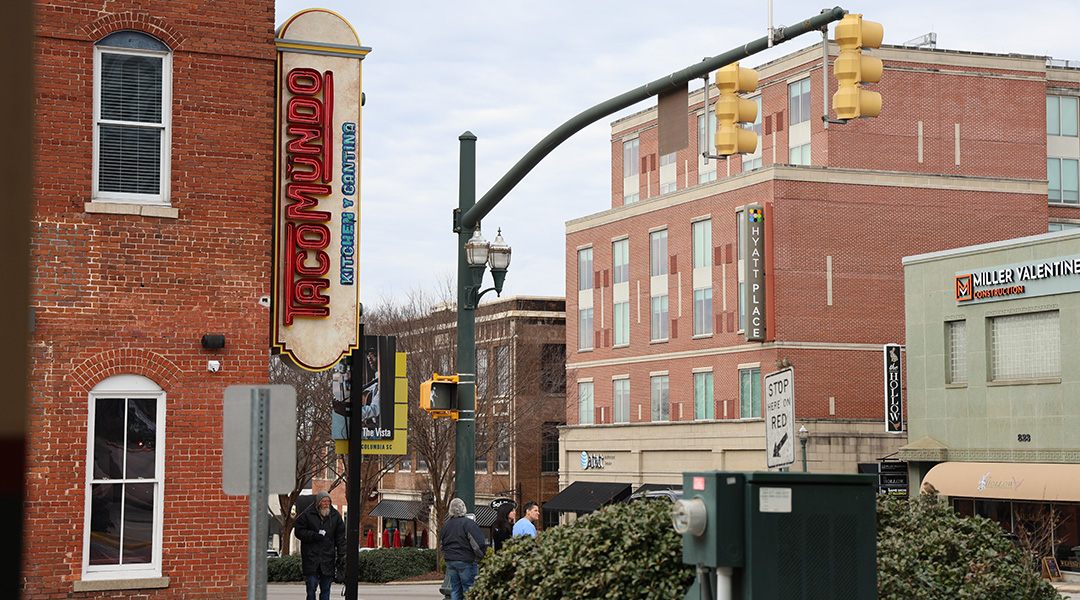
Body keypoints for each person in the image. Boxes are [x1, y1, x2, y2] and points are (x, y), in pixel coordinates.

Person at [294, 491, 346, 600]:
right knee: (311, 586)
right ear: (318, 503)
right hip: (311, 558)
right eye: (324, 501)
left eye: (328, 501)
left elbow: (340, 537)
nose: (327, 504)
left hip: (327, 558)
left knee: (326, 589)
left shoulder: (335, 516)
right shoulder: (307, 515)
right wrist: (313, 535)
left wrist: (341, 554)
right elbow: (299, 532)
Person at [440, 498, 487, 600]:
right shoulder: (469, 524)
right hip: (467, 560)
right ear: (463, 509)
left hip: (451, 561)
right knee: (470, 589)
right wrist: (479, 558)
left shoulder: (446, 525)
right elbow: (478, 545)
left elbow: (442, 545)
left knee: (456, 589)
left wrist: (448, 556)